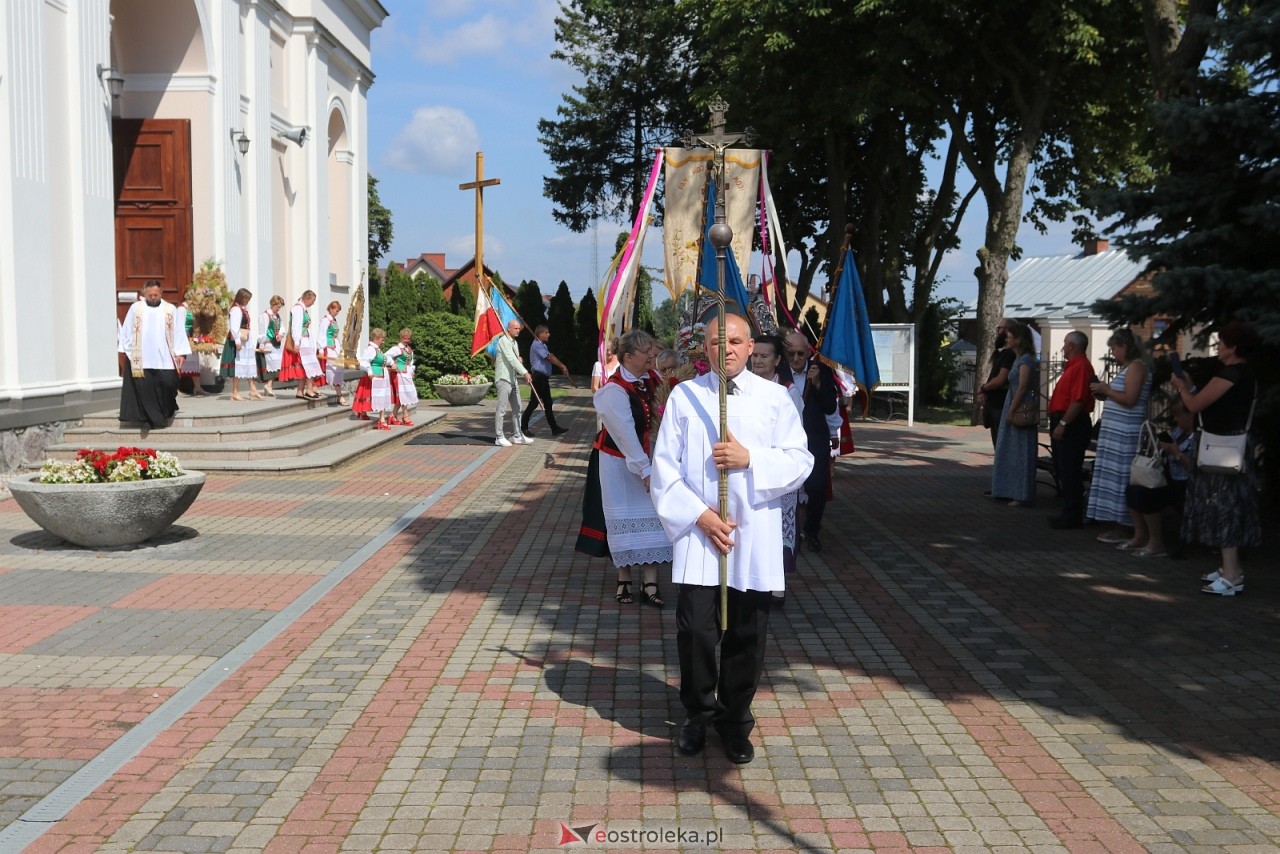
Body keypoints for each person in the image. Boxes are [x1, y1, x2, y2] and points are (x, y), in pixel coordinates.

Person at [652, 309, 813, 765]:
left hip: (752, 535)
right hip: (701, 534)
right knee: (698, 631)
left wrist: (750, 459)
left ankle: (735, 719)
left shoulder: (775, 399)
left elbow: (800, 461)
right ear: (704, 349)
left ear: (751, 347)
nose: (728, 350)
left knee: (747, 633)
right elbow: (664, 468)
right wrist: (701, 516)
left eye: (736, 342)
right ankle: (699, 714)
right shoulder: (686, 397)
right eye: (717, 343)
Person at [1170, 319, 1261, 596]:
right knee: (1225, 506)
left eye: (1222, 342)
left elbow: (1195, 405)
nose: (1218, 347)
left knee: (1224, 507)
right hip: (1228, 444)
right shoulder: (1242, 374)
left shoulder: (1232, 373)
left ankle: (1233, 575)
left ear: (1233, 347)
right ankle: (1228, 568)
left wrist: (1181, 388)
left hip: (1223, 447)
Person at [591, 329, 671, 607]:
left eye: (652, 349)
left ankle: (651, 582)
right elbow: (624, 434)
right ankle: (623, 578)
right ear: (627, 357)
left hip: (649, 459)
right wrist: (645, 469)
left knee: (653, 516)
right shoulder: (613, 391)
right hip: (618, 463)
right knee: (623, 516)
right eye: (646, 350)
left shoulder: (655, 380)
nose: (652, 354)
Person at [1087, 328, 1152, 543]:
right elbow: (1120, 397)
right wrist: (1106, 394)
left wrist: (1107, 390)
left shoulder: (1136, 367)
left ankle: (1127, 526)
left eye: (1114, 347)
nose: (1112, 352)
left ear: (1124, 347)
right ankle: (1118, 524)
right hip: (1116, 432)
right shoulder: (1130, 367)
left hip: (1126, 434)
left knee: (1123, 478)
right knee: (1115, 478)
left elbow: (1130, 399)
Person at [751, 334, 798, 606]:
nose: (757, 360)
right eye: (754, 355)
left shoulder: (788, 391)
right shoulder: (740, 387)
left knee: (778, 527)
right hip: (750, 467)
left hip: (777, 466)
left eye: (764, 356)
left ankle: (777, 586)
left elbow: (794, 433)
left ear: (777, 360)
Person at [784, 332, 840, 551]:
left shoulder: (821, 370)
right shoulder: (779, 372)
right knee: (788, 487)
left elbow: (829, 406)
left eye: (801, 353)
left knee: (817, 487)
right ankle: (790, 531)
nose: (796, 359)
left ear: (809, 352)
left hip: (814, 438)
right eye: (791, 354)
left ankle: (812, 530)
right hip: (786, 438)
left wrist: (817, 385)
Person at [1124, 395, 1195, 558]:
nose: (1176, 420)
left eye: (1178, 415)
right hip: (1168, 476)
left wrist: (1176, 453)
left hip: (1185, 483)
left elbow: (1194, 467)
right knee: (1133, 487)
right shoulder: (1179, 432)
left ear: (1190, 415)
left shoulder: (1198, 436)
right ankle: (1140, 535)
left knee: (1148, 493)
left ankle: (1156, 543)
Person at [118, 280, 192, 428]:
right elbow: (126, 330)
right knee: (145, 389)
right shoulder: (135, 308)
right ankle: (149, 420)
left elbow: (178, 331)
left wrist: (181, 353)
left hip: (165, 356)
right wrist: (129, 351)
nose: (153, 297)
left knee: (169, 383)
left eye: (155, 295)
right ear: (144, 294)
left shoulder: (170, 309)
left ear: (161, 293)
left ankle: (166, 410)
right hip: (143, 357)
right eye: (150, 295)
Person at [1046, 331, 1096, 529]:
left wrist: (1063, 424)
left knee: (1070, 470)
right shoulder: (1074, 366)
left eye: (1065, 344)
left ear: (1072, 346)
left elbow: (1078, 400)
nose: (1063, 347)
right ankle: (1068, 511)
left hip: (1072, 424)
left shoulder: (1081, 367)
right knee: (1064, 468)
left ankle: (1072, 514)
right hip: (1065, 420)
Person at [990, 321, 1039, 507]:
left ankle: (1021, 493)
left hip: (1019, 408)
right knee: (1008, 450)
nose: (1007, 339)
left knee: (1020, 452)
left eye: (1010, 337)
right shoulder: (1018, 358)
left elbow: (1023, 387)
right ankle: (1006, 489)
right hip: (1011, 404)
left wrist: (1011, 409)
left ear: (1019, 339)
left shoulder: (1026, 360)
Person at [521, 324, 574, 437]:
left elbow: (550, 355)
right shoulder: (537, 345)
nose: (548, 334)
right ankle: (523, 427)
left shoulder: (542, 345)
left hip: (543, 378)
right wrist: (562, 366)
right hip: (538, 377)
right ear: (540, 334)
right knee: (534, 403)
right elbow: (549, 357)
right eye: (546, 332)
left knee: (548, 402)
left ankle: (554, 428)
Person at [977, 319, 1016, 451]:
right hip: (996, 404)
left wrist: (983, 388)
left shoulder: (1009, 354)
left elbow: (1000, 379)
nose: (997, 331)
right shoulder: (1003, 353)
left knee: (1002, 446)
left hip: (1001, 405)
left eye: (1000, 328)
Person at [494, 319, 533, 447]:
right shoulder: (504, 341)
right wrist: (525, 372)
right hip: (504, 379)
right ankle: (499, 436)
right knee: (502, 409)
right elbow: (511, 359)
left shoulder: (514, 343)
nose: (517, 331)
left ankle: (517, 435)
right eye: (515, 328)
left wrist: (519, 360)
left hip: (513, 380)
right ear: (508, 329)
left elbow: (515, 359)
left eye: (518, 329)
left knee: (517, 408)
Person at [219, 288, 262, 401]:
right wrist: (237, 341)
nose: (247, 301)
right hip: (238, 340)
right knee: (238, 366)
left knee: (247, 365)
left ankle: (253, 389)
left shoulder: (242, 309)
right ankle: (234, 391)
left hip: (245, 340)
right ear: (241, 297)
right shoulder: (236, 310)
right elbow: (234, 327)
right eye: (246, 298)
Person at [279, 290, 323, 400]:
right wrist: (297, 342)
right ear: (307, 298)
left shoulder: (302, 309)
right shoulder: (298, 309)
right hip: (302, 341)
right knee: (310, 366)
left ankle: (300, 391)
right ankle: (308, 390)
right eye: (312, 301)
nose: (313, 303)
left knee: (304, 367)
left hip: (306, 341)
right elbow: (296, 326)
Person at [359, 328, 392, 431]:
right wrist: (369, 371)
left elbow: (384, 359)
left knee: (382, 397)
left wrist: (391, 364)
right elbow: (364, 361)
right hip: (376, 377)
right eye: (382, 339)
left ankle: (382, 419)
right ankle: (381, 419)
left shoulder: (377, 349)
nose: (383, 341)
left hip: (382, 376)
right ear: (376, 338)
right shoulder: (371, 349)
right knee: (378, 397)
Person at [385, 328, 418, 426]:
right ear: (401, 337)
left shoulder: (409, 349)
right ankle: (405, 416)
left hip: (406, 374)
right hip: (399, 374)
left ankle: (393, 415)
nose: (406, 340)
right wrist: (393, 364)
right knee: (403, 395)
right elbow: (386, 356)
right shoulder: (396, 348)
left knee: (405, 395)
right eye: (405, 338)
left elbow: (410, 362)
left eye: (408, 338)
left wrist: (411, 370)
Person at [318, 300, 348, 405]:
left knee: (338, 369)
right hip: (328, 348)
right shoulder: (326, 320)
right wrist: (321, 349)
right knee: (332, 369)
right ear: (330, 308)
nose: (337, 312)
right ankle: (339, 395)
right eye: (336, 310)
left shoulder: (333, 320)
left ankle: (339, 395)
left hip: (335, 347)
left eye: (338, 311)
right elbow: (322, 334)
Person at [176, 299, 207, 396]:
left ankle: (197, 388)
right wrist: (185, 338)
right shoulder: (182, 309)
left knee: (194, 362)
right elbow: (179, 326)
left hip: (192, 338)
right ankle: (176, 389)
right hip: (184, 338)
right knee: (180, 363)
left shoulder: (194, 309)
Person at [258, 295, 285, 397]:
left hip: (276, 344)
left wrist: (280, 335)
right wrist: (261, 343)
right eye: (277, 307)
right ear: (272, 304)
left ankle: (269, 386)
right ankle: (268, 386)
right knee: (270, 365)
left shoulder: (277, 316)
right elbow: (263, 330)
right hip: (267, 343)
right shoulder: (265, 315)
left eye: (279, 307)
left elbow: (282, 328)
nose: (278, 309)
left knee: (276, 365)